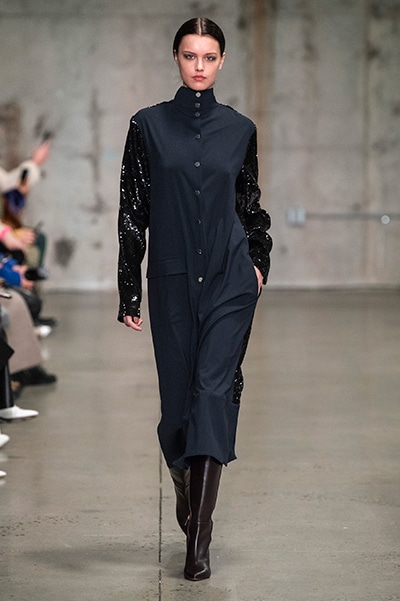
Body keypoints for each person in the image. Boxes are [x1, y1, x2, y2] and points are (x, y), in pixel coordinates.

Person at [117, 17, 272, 581]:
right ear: (177, 59)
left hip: (231, 279)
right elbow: (132, 212)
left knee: (211, 393)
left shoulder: (240, 129)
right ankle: (187, 488)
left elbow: (249, 204)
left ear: (222, 61)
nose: (199, 66)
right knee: (177, 413)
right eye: (190, 56)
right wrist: (129, 288)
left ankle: (199, 541)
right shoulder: (148, 126)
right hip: (173, 279)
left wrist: (258, 263)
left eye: (209, 57)